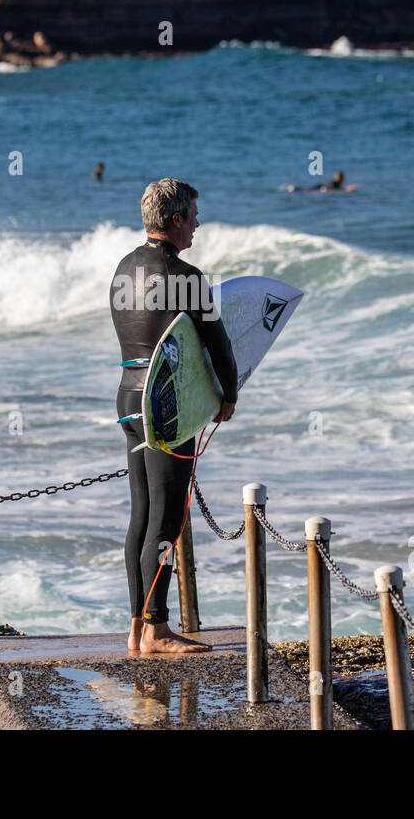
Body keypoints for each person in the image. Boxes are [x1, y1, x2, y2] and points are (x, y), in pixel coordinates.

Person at [109, 178, 238, 654]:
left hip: (128, 398)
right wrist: (229, 395)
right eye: (194, 216)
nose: (198, 224)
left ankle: (137, 626)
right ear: (176, 219)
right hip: (167, 411)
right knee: (166, 520)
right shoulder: (186, 276)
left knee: (141, 515)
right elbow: (217, 343)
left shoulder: (124, 269)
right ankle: (157, 629)